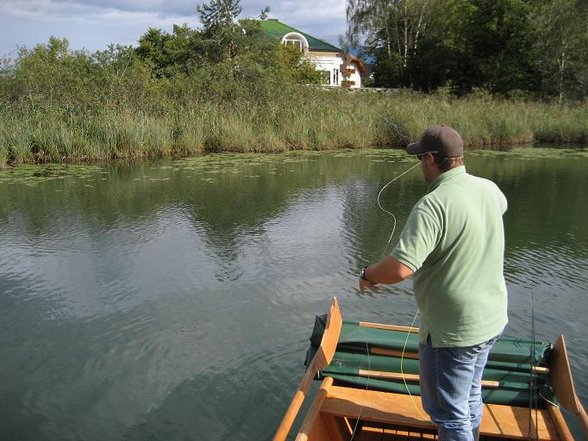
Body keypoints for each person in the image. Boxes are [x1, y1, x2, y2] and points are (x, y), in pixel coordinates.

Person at [358, 125, 508, 441]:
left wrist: (368, 274)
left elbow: (400, 269)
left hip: (452, 332)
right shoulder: (490, 189)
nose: (419, 164)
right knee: (468, 398)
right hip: (491, 320)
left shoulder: (432, 205)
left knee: (449, 416)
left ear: (429, 158)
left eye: (419, 157)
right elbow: (495, 212)